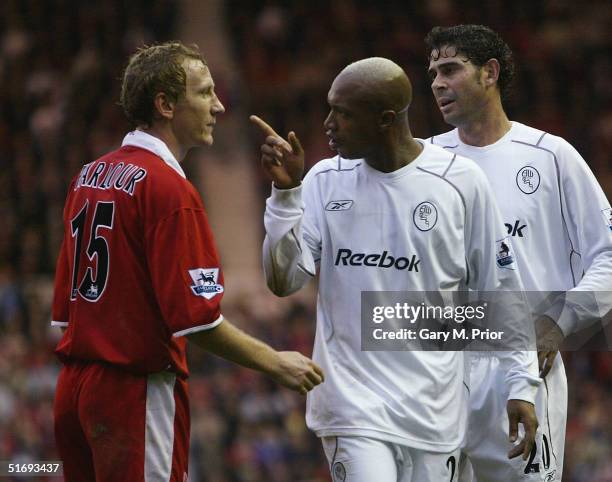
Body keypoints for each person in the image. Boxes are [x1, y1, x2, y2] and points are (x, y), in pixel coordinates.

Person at [251, 57, 540, 482]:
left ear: (386, 119)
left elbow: (500, 290)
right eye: (330, 109)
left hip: (434, 410)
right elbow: (283, 281)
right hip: (352, 408)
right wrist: (285, 194)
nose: (328, 123)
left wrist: (520, 383)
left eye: (344, 114)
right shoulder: (324, 180)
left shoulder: (460, 182)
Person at [50, 41, 324, 482]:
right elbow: (198, 322)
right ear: (165, 104)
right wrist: (276, 362)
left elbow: (64, 314)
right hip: (132, 394)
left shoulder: (88, 175)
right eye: (204, 92)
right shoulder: (169, 190)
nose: (218, 105)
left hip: (74, 392)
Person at [426, 24, 612, 481]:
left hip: (520, 362)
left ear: (490, 73)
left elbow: (608, 254)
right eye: (432, 73)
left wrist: (559, 322)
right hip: (438, 370)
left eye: (450, 69)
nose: (436, 83)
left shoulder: (551, 156)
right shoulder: (425, 161)